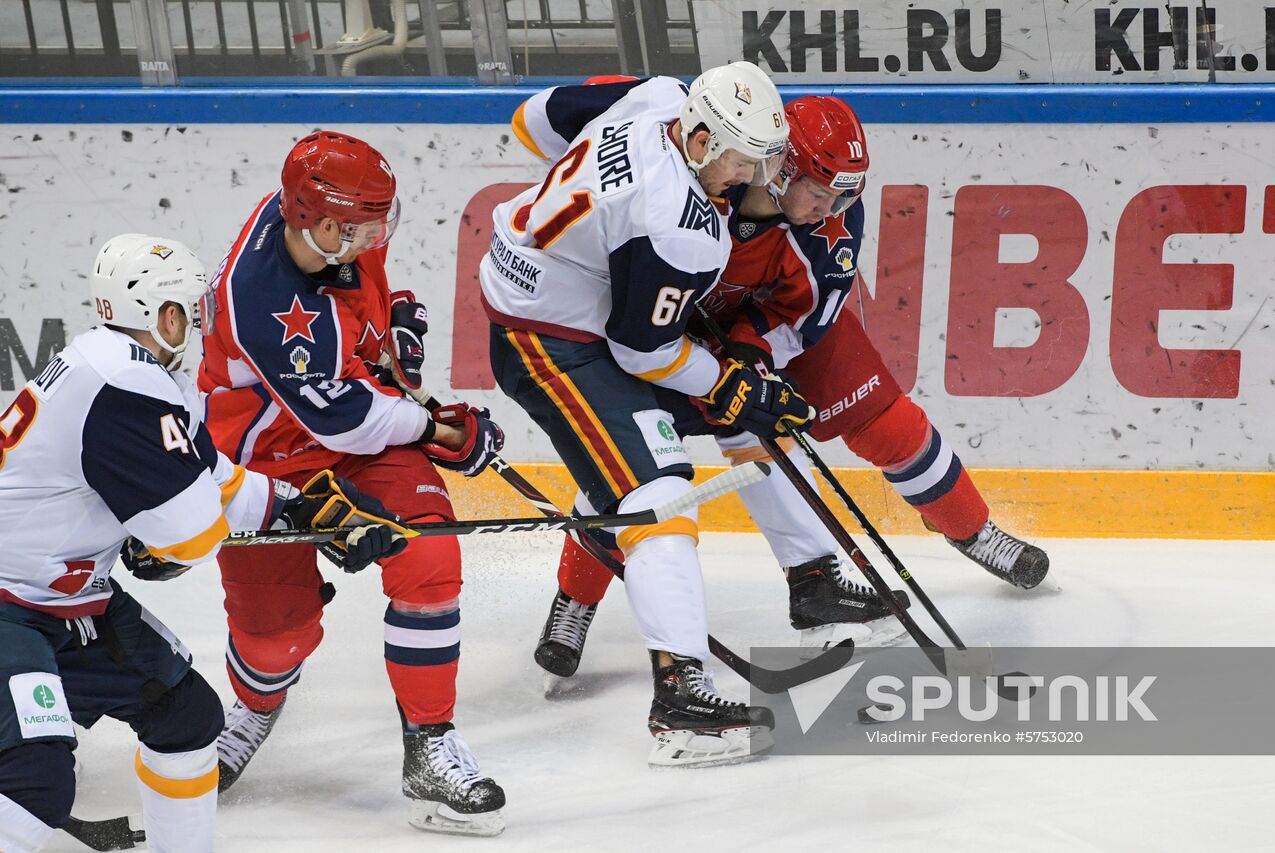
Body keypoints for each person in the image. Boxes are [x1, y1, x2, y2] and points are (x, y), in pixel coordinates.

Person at [533, 96, 1053, 676]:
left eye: (844, 193)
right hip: (661, 329)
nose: (829, 207)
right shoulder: (715, 156)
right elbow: (570, 136)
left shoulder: (830, 222)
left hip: (772, 325)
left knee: (887, 423)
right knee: (632, 463)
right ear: (777, 166)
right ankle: (574, 600)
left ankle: (967, 535)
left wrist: (751, 357)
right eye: (818, 189)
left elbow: (806, 318)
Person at [0, 234, 401, 853]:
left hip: (62, 600)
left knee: (186, 718)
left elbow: (214, 479)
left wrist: (306, 511)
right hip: (10, 606)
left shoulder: (125, 369)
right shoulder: (127, 383)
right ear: (160, 314)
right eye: (192, 308)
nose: (201, 323)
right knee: (36, 784)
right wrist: (167, 542)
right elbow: (185, 537)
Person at [482, 62, 811, 767]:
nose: (751, 175)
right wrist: (734, 388)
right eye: (740, 158)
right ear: (697, 140)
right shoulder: (682, 226)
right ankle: (681, 701)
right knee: (658, 488)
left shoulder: (659, 93)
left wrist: (594, 212)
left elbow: (532, 117)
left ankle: (616, 630)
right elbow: (642, 348)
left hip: (546, 290)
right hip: (546, 336)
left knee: (631, 471)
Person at [197, 132, 507, 835]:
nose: (379, 235)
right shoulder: (258, 296)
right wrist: (442, 431)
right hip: (265, 460)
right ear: (326, 223)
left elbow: (364, 314)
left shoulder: (324, 227)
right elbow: (346, 419)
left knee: (429, 557)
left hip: (352, 429)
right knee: (275, 640)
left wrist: (395, 313)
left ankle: (429, 742)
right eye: (368, 224)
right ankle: (255, 706)